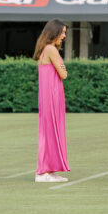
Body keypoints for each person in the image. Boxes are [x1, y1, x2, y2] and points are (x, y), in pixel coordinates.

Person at [33, 19, 70, 183]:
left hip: (50, 96)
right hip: (51, 97)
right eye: (62, 32)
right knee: (50, 132)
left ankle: (49, 170)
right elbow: (64, 74)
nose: (64, 36)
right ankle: (42, 171)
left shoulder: (45, 49)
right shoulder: (51, 49)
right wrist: (63, 67)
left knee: (51, 132)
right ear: (54, 32)